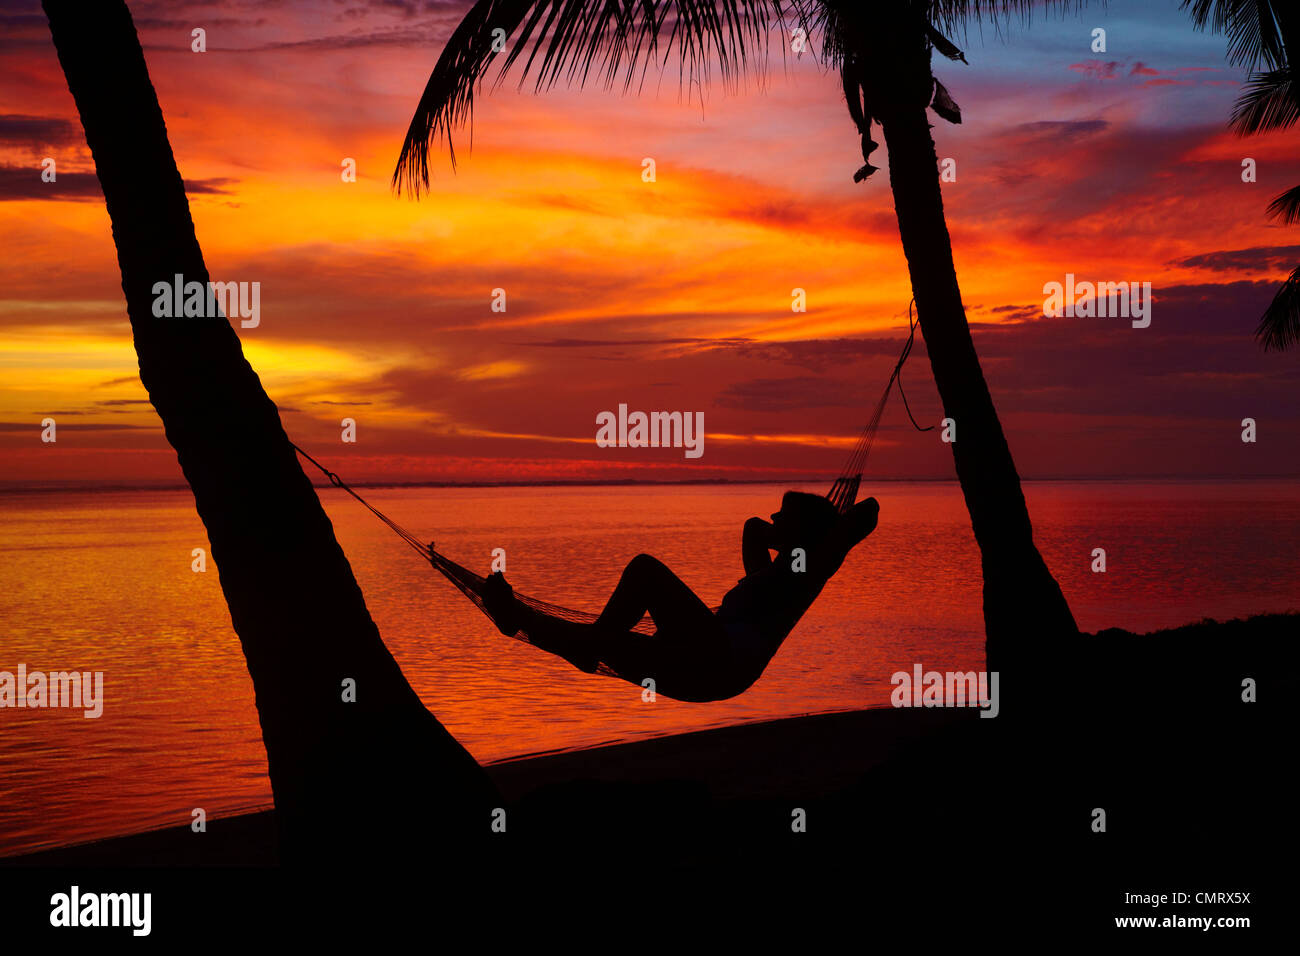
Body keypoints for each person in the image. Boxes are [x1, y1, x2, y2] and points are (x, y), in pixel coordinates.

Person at [481, 491, 880, 702]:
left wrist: (823, 534)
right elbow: (753, 529)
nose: (773, 517)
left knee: (644, 569)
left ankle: (584, 644)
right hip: (707, 660)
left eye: (783, 514)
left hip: (717, 659)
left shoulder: (810, 568)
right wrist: (779, 532)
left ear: (805, 530)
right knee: (613, 641)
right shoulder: (779, 579)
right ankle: (515, 619)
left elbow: (867, 513)